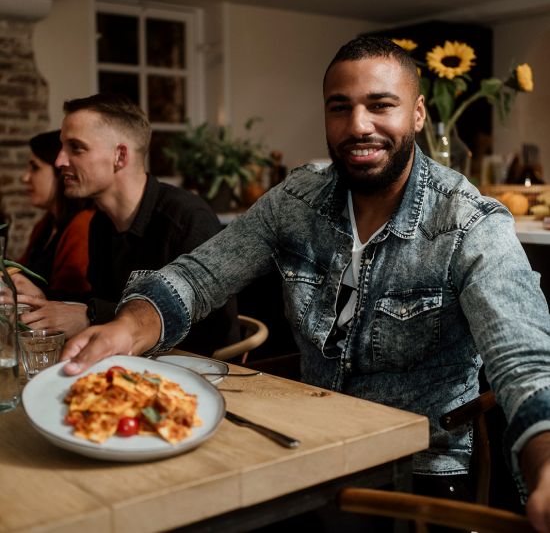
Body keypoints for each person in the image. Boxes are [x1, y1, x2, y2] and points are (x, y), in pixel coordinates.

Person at [61, 38, 550, 531]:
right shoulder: (295, 201)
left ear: (418, 113)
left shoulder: (469, 222)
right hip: (309, 449)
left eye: (381, 105)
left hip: (416, 472)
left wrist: (545, 460)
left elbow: (524, 357)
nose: (358, 125)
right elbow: (199, 275)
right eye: (341, 107)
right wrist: (127, 326)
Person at [15, 94, 239, 352]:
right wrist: (41, 298)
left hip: (199, 375)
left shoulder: (187, 219)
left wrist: (92, 316)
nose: (60, 161)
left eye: (76, 148)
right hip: (131, 365)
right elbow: (106, 300)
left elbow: (211, 333)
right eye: (62, 148)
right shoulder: (100, 222)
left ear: (119, 156)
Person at [16, 129, 94, 301]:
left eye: (35, 168)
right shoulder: (46, 224)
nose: (25, 177)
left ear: (60, 173)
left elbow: (73, 301)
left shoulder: (82, 225)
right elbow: (18, 271)